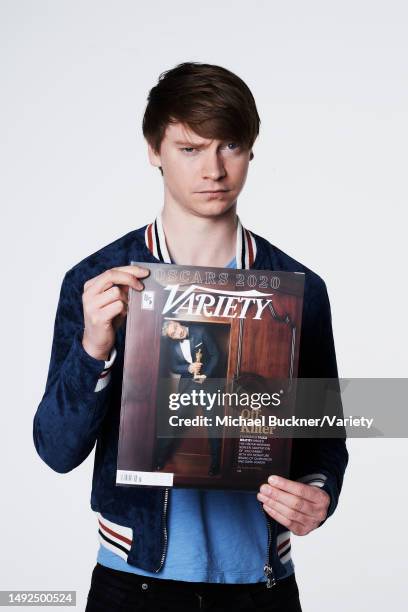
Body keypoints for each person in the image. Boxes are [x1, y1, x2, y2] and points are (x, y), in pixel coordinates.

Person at [33, 62, 348, 611]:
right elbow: (56, 450)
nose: (214, 170)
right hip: (135, 581)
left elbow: (325, 435)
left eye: (230, 146)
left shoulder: (300, 291)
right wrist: (95, 347)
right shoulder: (98, 282)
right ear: (153, 150)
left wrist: (319, 494)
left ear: (251, 150)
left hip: (261, 583)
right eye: (190, 149)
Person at [157, 320, 222, 475]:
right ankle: (160, 459)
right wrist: (188, 367)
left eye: (175, 328)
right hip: (188, 385)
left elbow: (216, 355)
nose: (177, 333)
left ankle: (216, 464)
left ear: (177, 323)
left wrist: (206, 374)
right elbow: (173, 366)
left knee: (213, 425)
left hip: (208, 384)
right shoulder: (172, 345)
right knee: (175, 421)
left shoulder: (201, 331)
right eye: (172, 334)